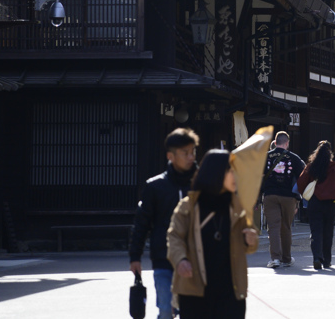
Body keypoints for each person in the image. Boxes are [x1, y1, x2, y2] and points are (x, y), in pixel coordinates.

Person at [166, 149, 259, 319]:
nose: (236, 176)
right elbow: (174, 236)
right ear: (216, 173)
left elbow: (251, 244)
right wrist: (180, 260)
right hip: (195, 289)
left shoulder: (238, 207)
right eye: (231, 171)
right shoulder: (189, 206)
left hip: (231, 290)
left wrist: (251, 240)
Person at [129, 128, 199, 319]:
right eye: (185, 153)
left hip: (197, 258)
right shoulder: (155, 186)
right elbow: (142, 222)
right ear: (171, 155)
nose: (190, 157)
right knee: (166, 310)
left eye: (192, 152)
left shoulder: (201, 184)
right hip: (163, 257)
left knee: (193, 311)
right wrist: (135, 256)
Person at [296, 140, 335, 270]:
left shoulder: (311, 167)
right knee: (328, 231)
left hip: (315, 202)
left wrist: (306, 194)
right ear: (330, 152)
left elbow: (301, 183)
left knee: (316, 231)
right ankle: (327, 260)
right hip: (332, 204)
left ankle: (316, 257)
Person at [259, 131, 305, 268]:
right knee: (286, 226)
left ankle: (275, 259)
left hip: (270, 195)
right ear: (287, 143)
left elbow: (257, 177)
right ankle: (286, 258)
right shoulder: (294, 158)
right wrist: (299, 198)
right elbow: (302, 177)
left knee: (273, 227)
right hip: (288, 196)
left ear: (275, 142)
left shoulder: (265, 157)